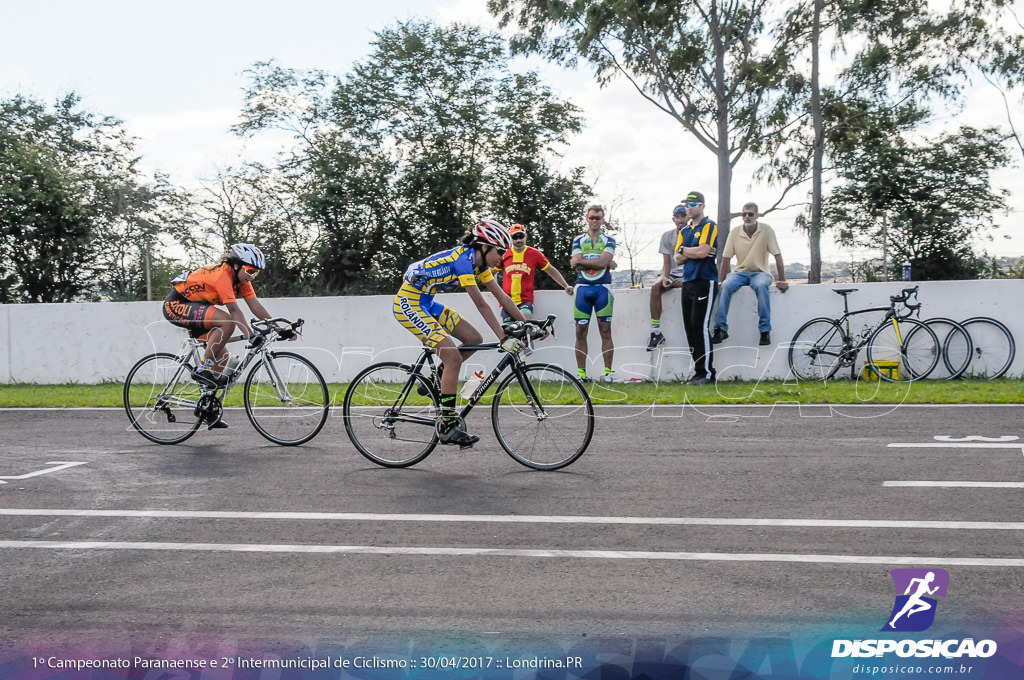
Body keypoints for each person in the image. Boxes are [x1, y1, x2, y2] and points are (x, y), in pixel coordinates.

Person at [394, 219, 527, 448]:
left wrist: (527, 324)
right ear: (484, 247)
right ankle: (447, 426)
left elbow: (502, 298)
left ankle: (435, 379)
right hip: (409, 303)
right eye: (499, 251)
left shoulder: (481, 265)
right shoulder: (463, 261)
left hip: (426, 303)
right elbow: (481, 304)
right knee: (453, 357)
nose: (501, 257)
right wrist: (503, 338)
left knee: (473, 339)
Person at [162, 243, 280, 427]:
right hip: (177, 305)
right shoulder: (223, 276)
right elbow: (234, 310)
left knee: (223, 357)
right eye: (250, 270)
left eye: (256, 272)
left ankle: (206, 408)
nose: (252, 276)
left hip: (196, 309)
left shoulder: (242, 281)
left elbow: (255, 305)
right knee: (227, 321)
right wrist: (250, 335)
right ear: (236, 265)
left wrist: (278, 327)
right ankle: (203, 369)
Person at [711, 202, 789, 346]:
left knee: (761, 286)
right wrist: (720, 281)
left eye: (750, 214)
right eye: (744, 214)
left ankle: (765, 330)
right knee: (726, 286)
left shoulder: (766, 230)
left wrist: (782, 279)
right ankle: (720, 329)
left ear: (757, 215)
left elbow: (777, 255)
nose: (747, 217)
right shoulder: (735, 232)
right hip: (740, 273)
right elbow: (726, 257)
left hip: (760, 272)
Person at [674, 191, 719, 384]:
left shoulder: (709, 225)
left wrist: (688, 250)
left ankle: (707, 373)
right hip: (688, 281)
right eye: (687, 205)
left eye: (693, 204)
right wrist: (687, 250)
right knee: (690, 328)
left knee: (700, 327)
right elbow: (677, 257)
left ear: (701, 206)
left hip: (705, 280)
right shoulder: (684, 231)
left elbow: (703, 252)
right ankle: (698, 372)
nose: (689, 208)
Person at [570, 204, 617, 383]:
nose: (595, 221)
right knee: (580, 332)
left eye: (598, 218)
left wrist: (584, 262)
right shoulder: (578, 240)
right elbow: (575, 262)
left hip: (602, 288)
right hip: (582, 289)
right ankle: (581, 374)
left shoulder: (609, 240)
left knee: (605, 331)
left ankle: (608, 373)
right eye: (591, 218)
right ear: (587, 219)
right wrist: (599, 262)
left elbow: (602, 263)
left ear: (603, 220)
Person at [500, 223, 574, 322]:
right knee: (510, 331)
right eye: (515, 237)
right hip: (506, 301)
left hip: (525, 300)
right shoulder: (505, 254)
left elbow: (550, 270)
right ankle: (542, 331)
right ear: (510, 238)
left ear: (525, 236)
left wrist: (565, 285)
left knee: (524, 324)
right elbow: (491, 271)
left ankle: (539, 330)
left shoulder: (534, 254)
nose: (518, 240)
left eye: (521, 236)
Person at [646, 204, 689, 350]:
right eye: (677, 217)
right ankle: (656, 331)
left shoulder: (694, 234)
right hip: (673, 274)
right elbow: (666, 262)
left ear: (688, 217)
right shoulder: (667, 236)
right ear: (673, 219)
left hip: (690, 275)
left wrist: (686, 280)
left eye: (683, 216)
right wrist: (665, 277)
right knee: (655, 288)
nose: (680, 219)